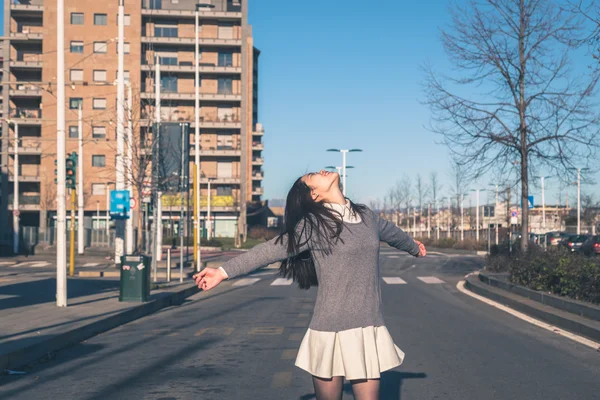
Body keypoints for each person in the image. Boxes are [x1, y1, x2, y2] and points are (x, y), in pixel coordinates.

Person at [194, 170, 426, 400]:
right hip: (329, 329)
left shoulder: (366, 216)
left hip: (367, 324)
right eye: (313, 175)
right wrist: (223, 272)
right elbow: (271, 249)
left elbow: (393, 233)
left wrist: (413, 247)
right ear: (314, 194)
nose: (321, 171)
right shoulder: (314, 225)